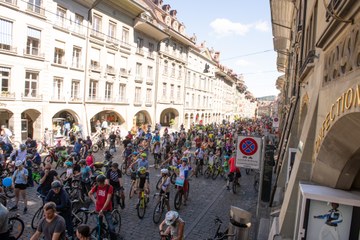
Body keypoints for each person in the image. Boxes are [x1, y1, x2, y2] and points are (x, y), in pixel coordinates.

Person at [88, 175, 116, 240]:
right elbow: (89, 193)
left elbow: (108, 200)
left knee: (111, 228)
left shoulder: (109, 187)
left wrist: (102, 209)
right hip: (98, 209)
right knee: (99, 225)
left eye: (99, 183)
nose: (98, 184)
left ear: (103, 182)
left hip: (107, 209)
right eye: (98, 183)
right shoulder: (97, 186)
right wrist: (95, 201)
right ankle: (101, 235)